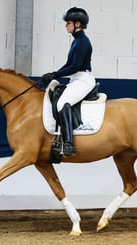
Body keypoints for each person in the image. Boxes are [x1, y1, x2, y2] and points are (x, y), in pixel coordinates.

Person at [41, 7, 96, 156]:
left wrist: (55, 74)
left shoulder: (82, 42)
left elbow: (75, 66)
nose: (66, 25)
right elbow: (68, 65)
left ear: (77, 24)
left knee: (61, 104)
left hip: (83, 79)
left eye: (68, 23)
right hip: (76, 78)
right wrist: (53, 74)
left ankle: (68, 143)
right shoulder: (77, 41)